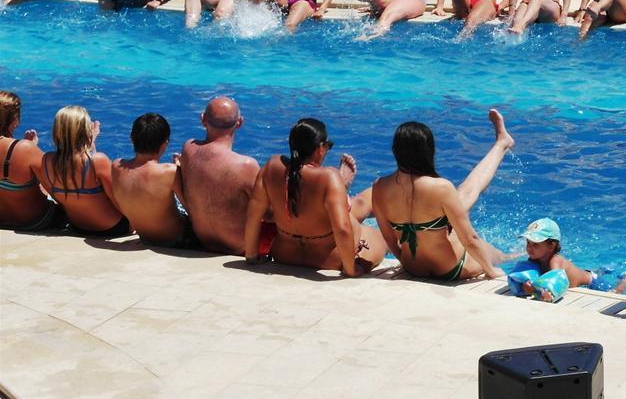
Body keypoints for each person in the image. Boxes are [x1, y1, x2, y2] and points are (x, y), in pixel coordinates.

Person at [371, 110, 514, 281]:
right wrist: (491, 271)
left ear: (395, 151)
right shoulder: (441, 187)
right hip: (451, 269)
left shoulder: (379, 187)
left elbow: (389, 238)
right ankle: (508, 256)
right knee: (469, 199)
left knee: (464, 195)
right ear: (428, 151)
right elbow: (469, 239)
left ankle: (502, 143)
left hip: (413, 267)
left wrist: (405, 262)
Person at [244, 118, 386, 276]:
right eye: (328, 146)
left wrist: (251, 256)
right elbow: (342, 229)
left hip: (285, 255)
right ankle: (343, 192)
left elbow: (253, 215)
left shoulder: (271, 167)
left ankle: (342, 192)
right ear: (320, 148)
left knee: (358, 204)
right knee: (382, 236)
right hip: (330, 259)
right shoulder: (328, 176)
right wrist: (350, 269)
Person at [178, 97, 261, 255]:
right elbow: (269, 214)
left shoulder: (188, 149)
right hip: (240, 248)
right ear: (239, 123)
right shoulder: (247, 166)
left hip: (203, 240)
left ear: (203, 119)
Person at [36, 105, 130, 237]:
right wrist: (136, 223)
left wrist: (92, 140)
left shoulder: (47, 160)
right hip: (112, 227)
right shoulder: (98, 160)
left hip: (77, 226)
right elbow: (117, 199)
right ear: (85, 131)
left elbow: (61, 197)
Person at [110, 113, 198, 249]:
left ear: (132, 139)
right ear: (165, 143)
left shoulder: (116, 166)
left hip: (145, 237)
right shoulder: (171, 171)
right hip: (177, 239)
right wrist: (184, 170)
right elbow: (191, 209)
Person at [507, 217, 626, 301]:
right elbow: (528, 283)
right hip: (582, 275)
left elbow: (553, 289)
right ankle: (600, 270)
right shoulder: (533, 260)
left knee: (615, 293)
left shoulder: (555, 261)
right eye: (528, 243)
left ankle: (625, 278)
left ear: (551, 246)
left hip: (591, 282)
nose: (529, 248)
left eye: (535, 245)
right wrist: (526, 286)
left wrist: (534, 291)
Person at [0, 92, 66, 231]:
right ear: (15, 119)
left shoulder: (23, 148)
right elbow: (56, 189)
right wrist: (29, 149)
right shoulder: (24, 148)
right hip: (34, 221)